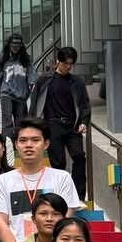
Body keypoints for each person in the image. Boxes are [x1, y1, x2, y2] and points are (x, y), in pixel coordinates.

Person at [0, 117, 83, 242]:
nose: (29, 145)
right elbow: (0, 224)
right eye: (23, 140)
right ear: (16, 144)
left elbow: (65, 221)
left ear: (46, 144)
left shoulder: (62, 178)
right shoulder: (2, 181)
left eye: (35, 140)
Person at [29, 46, 92, 198]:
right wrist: (33, 125)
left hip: (72, 126)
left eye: (71, 64)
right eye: (65, 63)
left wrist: (84, 121)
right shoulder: (44, 80)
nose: (68, 66)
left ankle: (78, 195)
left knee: (79, 156)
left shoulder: (77, 81)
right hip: (52, 125)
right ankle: (61, 196)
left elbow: (85, 104)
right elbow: (34, 104)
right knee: (58, 163)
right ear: (58, 61)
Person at [0, 33, 37, 138]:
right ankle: (7, 141)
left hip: (21, 94)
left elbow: (31, 73)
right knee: (7, 119)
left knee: (20, 121)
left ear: (21, 46)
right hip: (6, 92)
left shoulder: (26, 60)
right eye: (13, 45)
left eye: (18, 45)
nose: (15, 48)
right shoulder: (3, 59)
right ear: (9, 45)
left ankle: (20, 140)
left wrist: (32, 83)